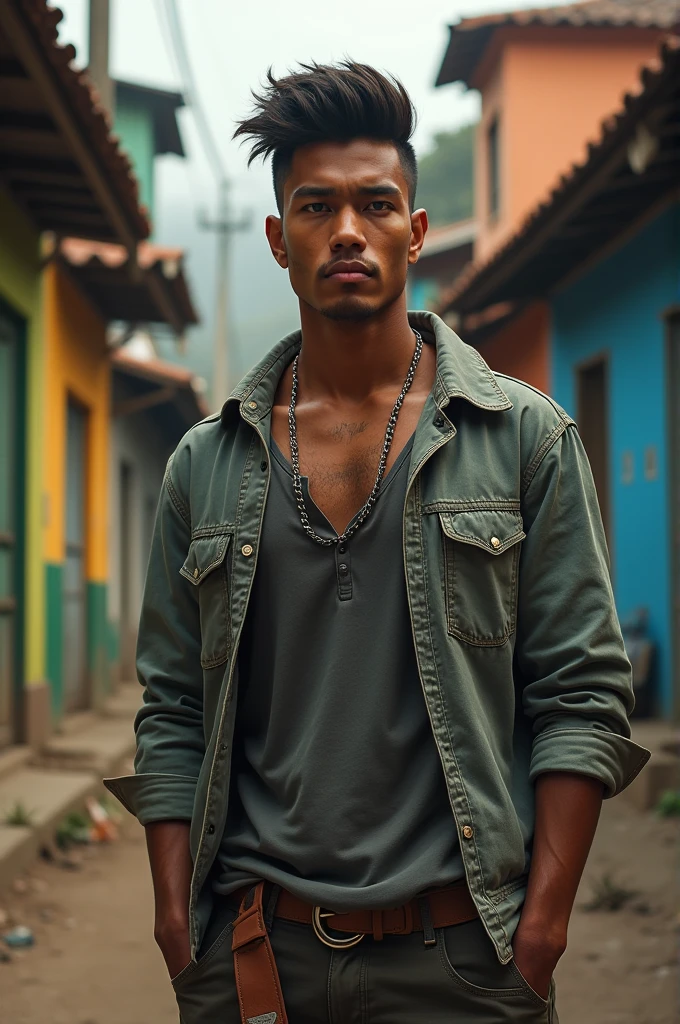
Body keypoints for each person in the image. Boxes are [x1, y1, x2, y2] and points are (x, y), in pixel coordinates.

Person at [105, 62, 649, 1024]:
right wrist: (174, 922)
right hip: (256, 954)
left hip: (463, 959)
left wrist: (542, 935)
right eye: (316, 206)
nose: (348, 230)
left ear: (417, 230)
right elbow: (175, 706)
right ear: (278, 239)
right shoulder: (205, 464)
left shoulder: (525, 441)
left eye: (377, 204)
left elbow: (581, 694)